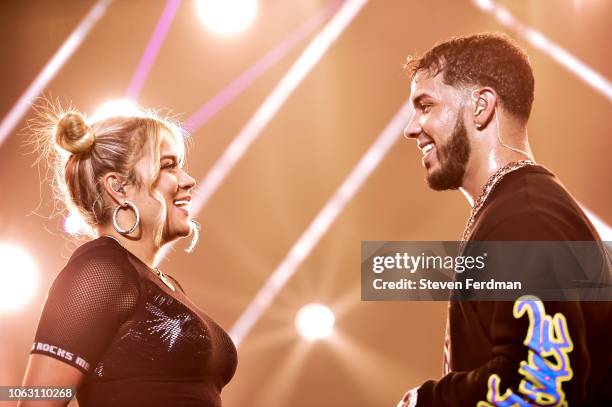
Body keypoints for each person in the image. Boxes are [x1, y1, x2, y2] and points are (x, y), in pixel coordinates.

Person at [397, 33, 611, 406]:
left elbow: (540, 387)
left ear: (481, 106)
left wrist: (425, 401)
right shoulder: (517, 209)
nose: (411, 128)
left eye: (426, 105)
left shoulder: (525, 220)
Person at [19, 105, 237, 407]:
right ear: (118, 187)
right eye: (168, 166)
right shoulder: (101, 269)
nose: (187, 180)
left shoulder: (163, 284)